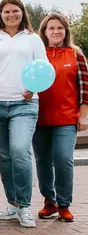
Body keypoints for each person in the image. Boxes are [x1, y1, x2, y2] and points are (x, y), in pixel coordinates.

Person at [0, 0, 47, 228]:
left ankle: (25, 206)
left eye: (15, 11)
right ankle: (12, 204)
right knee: (5, 157)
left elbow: (43, 69)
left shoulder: (33, 39)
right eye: (6, 12)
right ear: (0, 15)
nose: (11, 15)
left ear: (22, 13)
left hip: (24, 104)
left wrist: (33, 88)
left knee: (20, 150)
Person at [33, 13, 87, 223]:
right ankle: (50, 201)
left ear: (66, 31)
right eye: (51, 28)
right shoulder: (37, 55)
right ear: (44, 33)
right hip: (39, 118)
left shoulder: (76, 54)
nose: (56, 31)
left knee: (64, 159)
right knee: (43, 161)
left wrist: (83, 116)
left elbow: (85, 88)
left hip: (66, 119)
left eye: (60, 28)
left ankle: (64, 204)